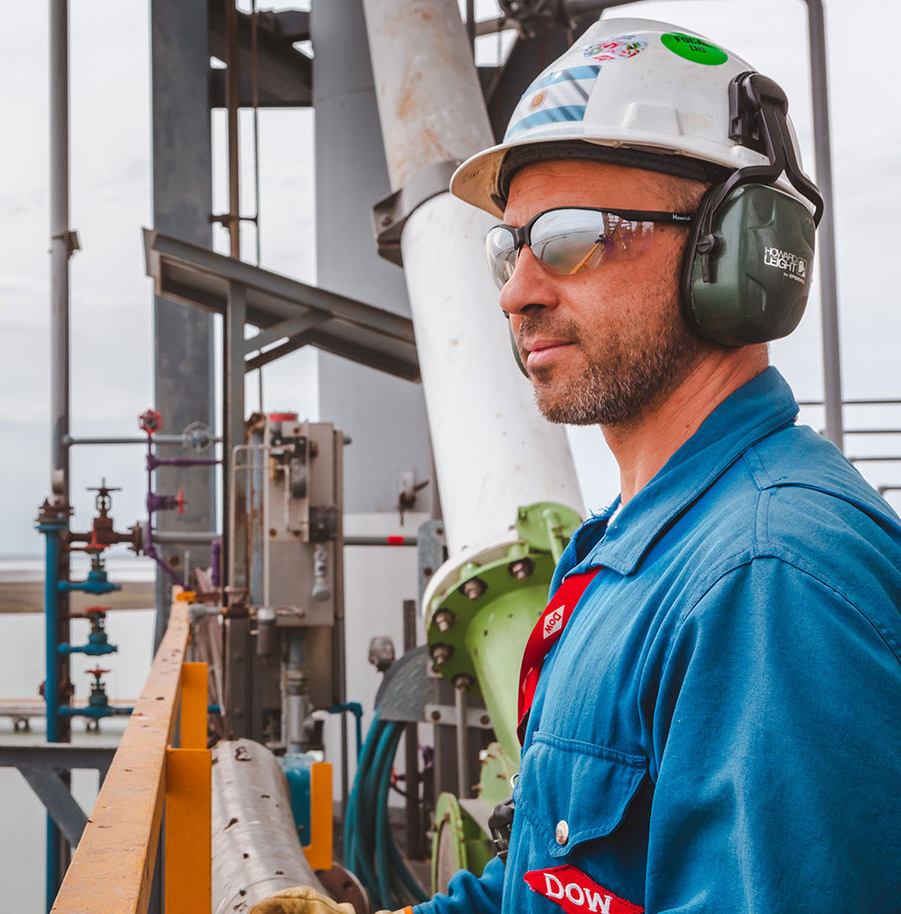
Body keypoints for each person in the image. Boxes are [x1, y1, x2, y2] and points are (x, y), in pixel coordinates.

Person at [257, 16, 901, 914]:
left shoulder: (770, 579)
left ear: (731, 251)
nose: (517, 292)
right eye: (509, 247)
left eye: (570, 238)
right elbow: (551, 885)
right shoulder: (625, 551)